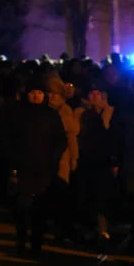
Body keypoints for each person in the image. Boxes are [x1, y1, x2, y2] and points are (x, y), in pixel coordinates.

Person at [1, 77, 67, 255]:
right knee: (22, 206)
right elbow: (6, 138)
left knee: (40, 209)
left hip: (44, 168)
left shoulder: (51, 115)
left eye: (39, 93)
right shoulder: (17, 114)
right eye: (33, 93)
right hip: (22, 167)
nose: (36, 96)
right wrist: (12, 159)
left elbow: (61, 139)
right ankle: (21, 239)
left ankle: (37, 242)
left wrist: (53, 159)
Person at [76, 85, 120, 252]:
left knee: (103, 195)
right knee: (88, 195)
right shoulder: (80, 112)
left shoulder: (110, 111)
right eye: (91, 93)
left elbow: (114, 135)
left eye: (97, 92)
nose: (95, 96)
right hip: (87, 159)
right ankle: (91, 228)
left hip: (104, 160)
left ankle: (103, 229)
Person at [47, 76, 80, 241]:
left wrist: (74, 157)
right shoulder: (44, 110)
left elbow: (72, 136)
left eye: (56, 94)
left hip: (62, 157)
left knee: (61, 191)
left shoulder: (65, 111)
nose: (52, 97)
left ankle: (61, 226)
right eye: (50, 93)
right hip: (45, 156)